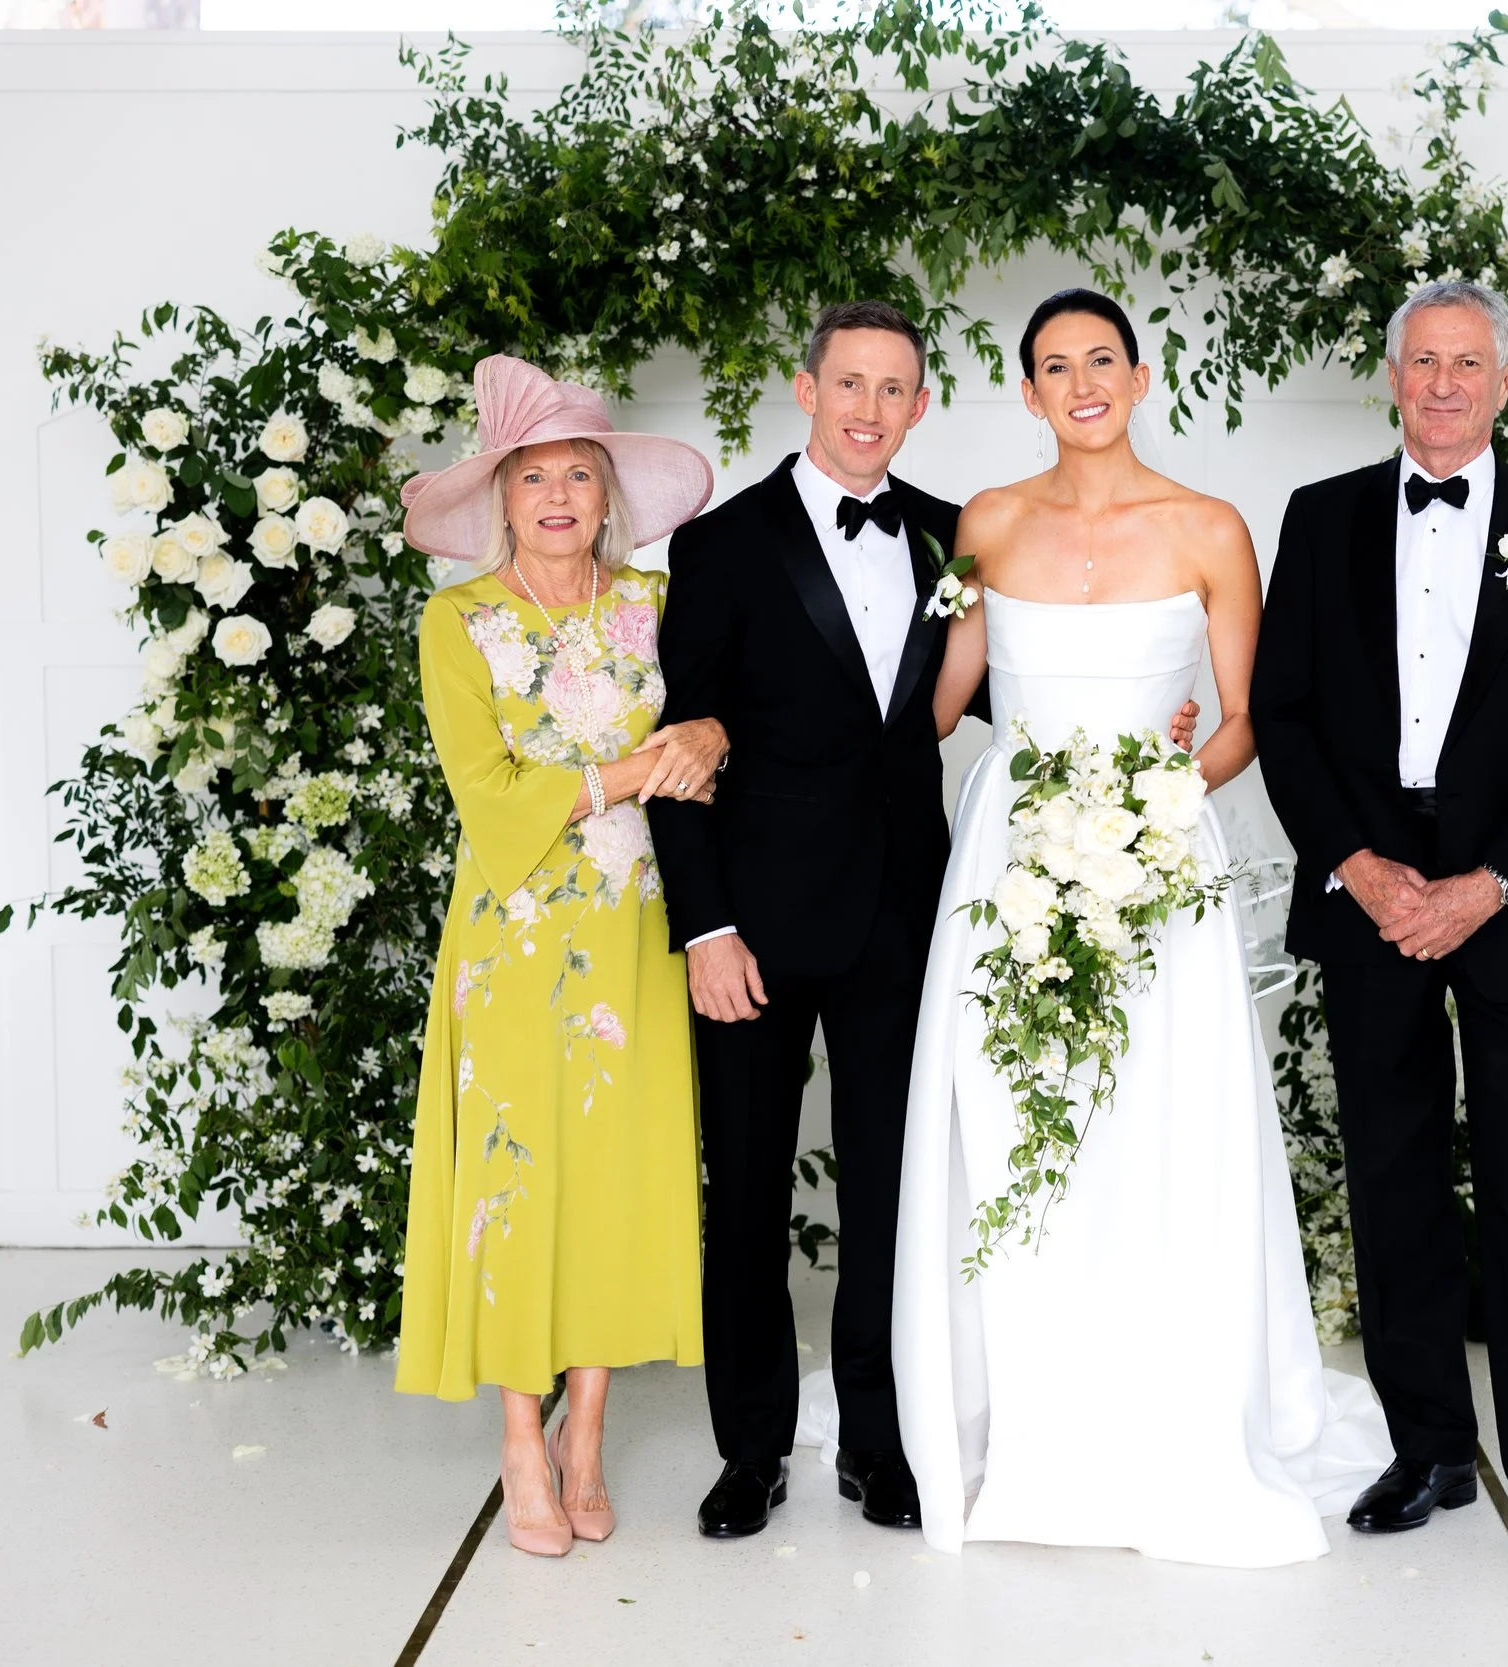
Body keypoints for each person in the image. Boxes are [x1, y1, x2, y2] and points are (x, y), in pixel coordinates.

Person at [645, 299, 1200, 1540]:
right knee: (741, 1190)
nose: (868, 411)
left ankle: (882, 1441)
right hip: (754, 926)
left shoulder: (959, 534)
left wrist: (1142, 729)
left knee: (896, 1192)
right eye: (849, 385)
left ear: (922, 406)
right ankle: (750, 1449)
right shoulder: (723, 544)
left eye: (894, 390)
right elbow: (677, 746)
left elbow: (1032, 689)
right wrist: (704, 928)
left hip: (910, 911)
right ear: (805, 389)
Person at [888, 288, 1393, 1569]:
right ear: (1029, 392)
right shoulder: (986, 524)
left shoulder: (1212, 528)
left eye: (1099, 359)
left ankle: (1166, 1407)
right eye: (1052, 366)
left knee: (1157, 1114)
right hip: (1011, 851)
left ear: (1140, 371)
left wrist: (1161, 798)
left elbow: (1244, 713)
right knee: (1015, 1117)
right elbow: (943, 699)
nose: (1080, 383)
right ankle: (1028, 1406)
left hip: (1160, 850)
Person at [1249, 281, 1508, 1588]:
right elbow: (1284, 712)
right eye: (1424, 362)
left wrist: (1487, 882)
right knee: (1392, 1171)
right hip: (1366, 889)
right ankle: (1430, 1447)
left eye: (1469, 363)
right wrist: (1360, 867)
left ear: (1506, 380)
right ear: (1393, 375)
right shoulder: (1320, 519)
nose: (1446, 383)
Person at [394, 354, 726, 1558]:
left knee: (615, 1175)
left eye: (577, 474)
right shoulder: (457, 622)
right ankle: (519, 1438)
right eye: (532, 476)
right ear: (500, 495)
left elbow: (719, 712)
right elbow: (491, 802)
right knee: (519, 1177)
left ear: (606, 494)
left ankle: (589, 1432)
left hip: (636, 927)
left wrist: (711, 727)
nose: (555, 494)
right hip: (512, 941)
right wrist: (638, 765)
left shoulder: (657, 601)